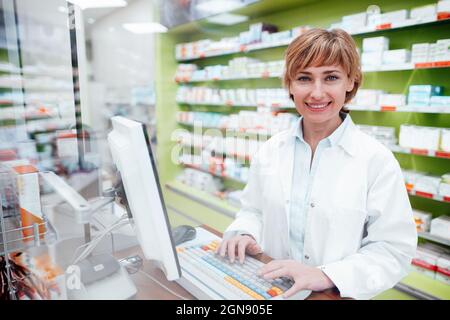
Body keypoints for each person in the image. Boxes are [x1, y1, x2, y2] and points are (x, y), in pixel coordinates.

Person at [216, 28, 417, 300]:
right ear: (289, 84)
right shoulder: (271, 150)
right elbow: (253, 210)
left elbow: (394, 249)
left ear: (351, 82)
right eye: (304, 78)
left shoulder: (376, 160)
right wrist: (243, 233)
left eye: (331, 77)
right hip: (268, 290)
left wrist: (327, 275)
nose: (317, 93)